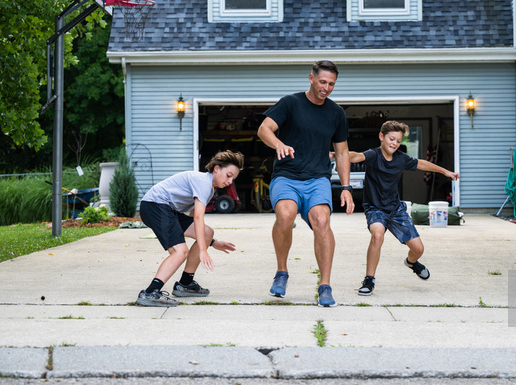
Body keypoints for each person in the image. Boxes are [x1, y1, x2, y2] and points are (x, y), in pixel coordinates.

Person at [257, 60, 354, 307]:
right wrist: (279, 144)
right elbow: (264, 129)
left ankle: (325, 286)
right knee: (286, 215)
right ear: (311, 78)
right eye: (323, 82)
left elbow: (342, 153)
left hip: (317, 178)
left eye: (331, 84)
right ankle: (281, 272)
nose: (327, 88)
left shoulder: (336, 113)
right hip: (287, 176)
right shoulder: (291, 103)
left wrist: (346, 187)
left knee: (322, 221)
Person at [344, 120, 459, 296]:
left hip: (396, 210)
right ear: (381, 137)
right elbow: (356, 156)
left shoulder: (401, 159)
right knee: (377, 234)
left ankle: (412, 263)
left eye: (398, 141)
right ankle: (369, 279)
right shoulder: (374, 155)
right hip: (375, 208)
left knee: (418, 249)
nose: (395, 143)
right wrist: (336, 154)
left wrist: (446, 172)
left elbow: (422, 164)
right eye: (391, 139)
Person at [135, 150, 244, 307]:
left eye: (233, 178)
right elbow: (199, 217)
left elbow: (194, 219)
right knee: (181, 251)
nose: (230, 181)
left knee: (207, 233)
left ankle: (185, 283)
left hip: (166, 209)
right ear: (216, 168)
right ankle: (151, 292)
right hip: (155, 205)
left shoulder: (208, 187)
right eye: (229, 175)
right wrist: (203, 250)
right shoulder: (203, 183)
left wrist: (211, 242)